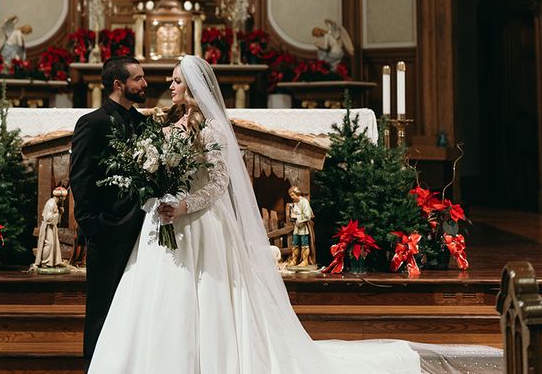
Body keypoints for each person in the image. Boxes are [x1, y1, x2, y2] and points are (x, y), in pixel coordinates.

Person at [89, 55, 420, 373]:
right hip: (167, 220)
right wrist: (157, 197)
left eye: (176, 81)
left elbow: (218, 183)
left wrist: (185, 205)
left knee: (206, 296)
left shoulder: (212, 130)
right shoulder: (170, 126)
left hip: (202, 223)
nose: (169, 85)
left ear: (192, 87)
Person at [69, 56, 148, 370]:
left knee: (133, 303)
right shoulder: (93, 122)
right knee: (102, 304)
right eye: (138, 79)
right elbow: (81, 177)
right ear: (119, 84)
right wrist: (93, 226)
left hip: (142, 228)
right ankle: (95, 365)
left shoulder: (143, 123)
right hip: (107, 228)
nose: (144, 84)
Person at [31, 185, 67, 270]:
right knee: (49, 244)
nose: (64, 199)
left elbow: (54, 218)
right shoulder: (51, 203)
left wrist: (59, 213)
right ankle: (45, 262)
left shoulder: (54, 203)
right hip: (48, 227)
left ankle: (54, 262)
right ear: (61, 197)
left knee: (54, 244)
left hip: (52, 227)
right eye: (64, 197)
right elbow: (48, 218)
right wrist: (57, 213)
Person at [286, 185, 315, 268]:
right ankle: (295, 260)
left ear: (297, 193)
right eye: (290, 195)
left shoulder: (304, 202)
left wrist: (296, 217)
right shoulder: (295, 203)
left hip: (304, 227)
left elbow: (307, 215)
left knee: (304, 244)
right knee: (295, 243)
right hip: (297, 226)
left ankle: (305, 261)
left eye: (292, 195)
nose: (291, 197)